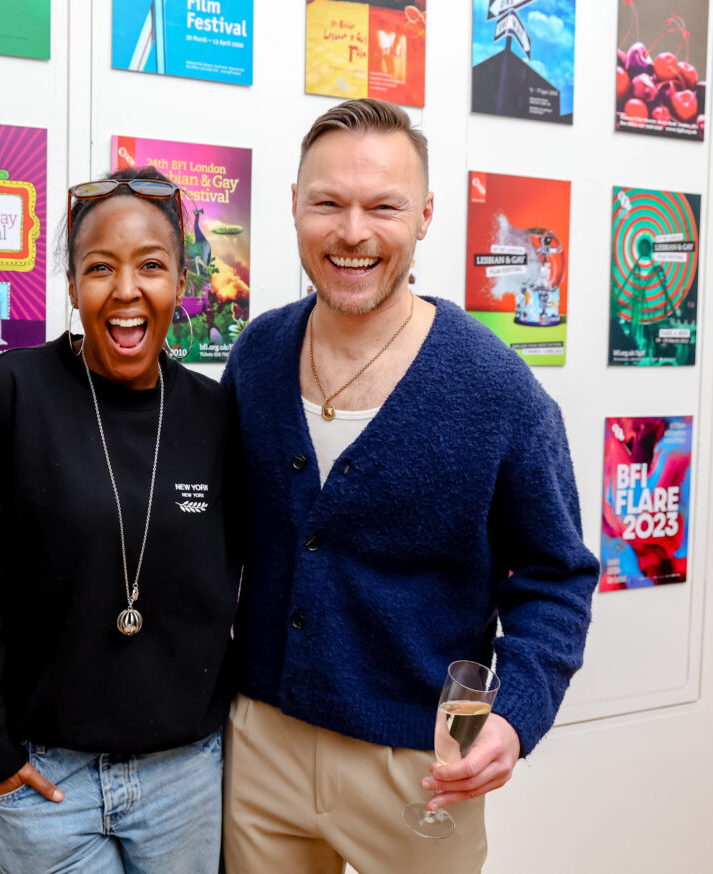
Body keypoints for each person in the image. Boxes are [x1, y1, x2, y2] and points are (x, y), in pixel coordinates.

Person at [221, 98, 599, 873]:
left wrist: (516, 715)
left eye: (382, 207)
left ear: (424, 216)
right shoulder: (256, 354)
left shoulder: (497, 391)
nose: (352, 232)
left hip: (419, 767)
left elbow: (557, 576)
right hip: (259, 744)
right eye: (327, 202)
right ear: (293, 206)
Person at [0, 166, 243, 873]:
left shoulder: (213, 415)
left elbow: (237, 582)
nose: (126, 290)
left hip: (184, 776)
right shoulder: (14, 392)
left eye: (151, 265)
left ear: (181, 282)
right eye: (100, 268)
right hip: (45, 779)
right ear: (70, 286)